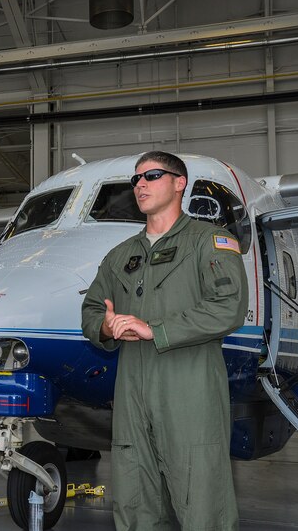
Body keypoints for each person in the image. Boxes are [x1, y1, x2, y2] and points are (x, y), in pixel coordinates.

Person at [81, 151, 248, 531]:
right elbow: (92, 310)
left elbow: (229, 307)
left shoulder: (211, 242)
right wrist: (106, 327)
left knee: (202, 501)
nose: (140, 184)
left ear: (179, 182)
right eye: (136, 179)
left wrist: (155, 330)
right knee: (135, 499)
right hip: (132, 397)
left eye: (152, 175)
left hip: (190, 392)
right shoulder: (119, 256)